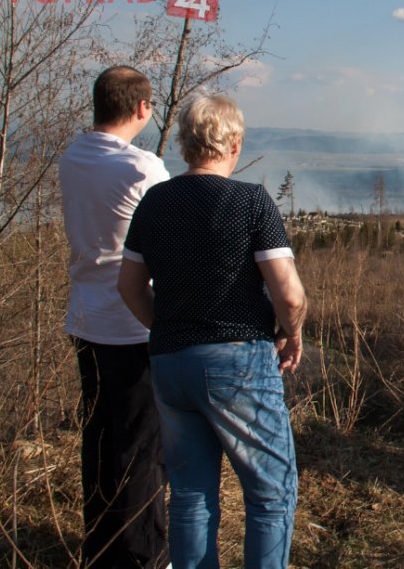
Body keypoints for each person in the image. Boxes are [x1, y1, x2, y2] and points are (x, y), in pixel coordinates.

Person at [118, 92, 307, 568]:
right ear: (235, 143)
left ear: (184, 143)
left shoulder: (155, 202)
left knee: (189, 495)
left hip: (169, 363)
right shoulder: (249, 201)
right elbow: (290, 295)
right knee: (269, 491)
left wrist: (166, 328)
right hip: (237, 359)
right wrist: (292, 331)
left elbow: (129, 287)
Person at [59, 66, 169, 568]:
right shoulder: (141, 168)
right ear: (142, 108)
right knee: (141, 448)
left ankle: (100, 547)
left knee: (101, 437)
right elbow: (175, 240)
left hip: (85, 318)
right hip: (133, 323)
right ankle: (142, 555)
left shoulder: (74, 157)